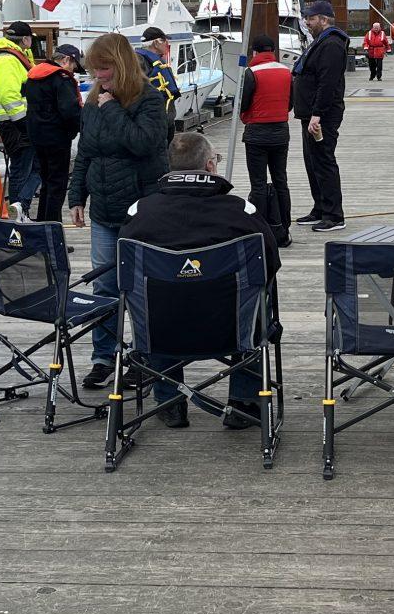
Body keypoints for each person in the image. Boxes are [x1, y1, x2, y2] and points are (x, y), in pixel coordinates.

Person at [118, 131, 278, 429]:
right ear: (209, 166)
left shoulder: (140, 212)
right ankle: (244, 401)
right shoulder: (241, 211)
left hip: (159, 330)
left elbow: (124, 274)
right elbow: (270, 265)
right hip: (230, 328)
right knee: (257, 301)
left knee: (153, 299)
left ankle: (169, 401)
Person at [68, 32, 170, 388]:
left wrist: (111, 108)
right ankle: (104, 356)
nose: (99, 76)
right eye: (95, 70)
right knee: (105, 286)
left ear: (122, 65)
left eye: (105, 68)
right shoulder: (93, 101)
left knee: (142, 287)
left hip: (142, 210)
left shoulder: (150, 99)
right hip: (103, 209)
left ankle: (144, 356)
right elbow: (86, 152)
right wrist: (76, 196)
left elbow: (143, 144)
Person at [293, 0, 350, 231]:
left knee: (324, 161)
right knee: (312, 162)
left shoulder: (332, 45)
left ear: (324, 20)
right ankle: (320, 207)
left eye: (311, 18)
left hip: (322, 115)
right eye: (306, 18)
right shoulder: (319, 42)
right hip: (309, 113)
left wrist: (317, 114)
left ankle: (334, 215)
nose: (307, 22)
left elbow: (327, 83)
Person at [239, 33, 293, 246]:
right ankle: (284, 227)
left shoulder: (251, 73)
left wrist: (247, 117)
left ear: (255, 52)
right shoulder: (286, 71)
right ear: (272, 51)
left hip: (257, 134)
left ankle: (260, 230)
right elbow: (290, 103)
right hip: (280, 132)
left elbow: (243, 103)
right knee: (281, 181)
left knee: (258, 184)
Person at [23, 42, 84, 223]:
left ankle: (42, 223)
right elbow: (70, 112)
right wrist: (78, 128)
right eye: (73, 66)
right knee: (57, 184)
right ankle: (52, 227)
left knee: (46, 182)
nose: (73, 71)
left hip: (36, 136)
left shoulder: (34, 76)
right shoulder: (61, 79)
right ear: (66, 60)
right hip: (57, 138)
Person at [0, 20, 37, 218]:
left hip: (20, 121)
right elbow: (9, 95)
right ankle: (18, 211)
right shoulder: (6, 59)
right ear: (25, 39)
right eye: (31, 39)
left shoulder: (16, 56)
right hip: (16, 123)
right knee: (21, 168)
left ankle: (20, 208)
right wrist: (22, 122)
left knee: (34, 166)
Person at [136, 25, 181, 134]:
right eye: (164, 41)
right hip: (153, 121)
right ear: (156, 43)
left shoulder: (157, 60)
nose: (167, 44)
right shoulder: (140, 61)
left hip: (164, 119)